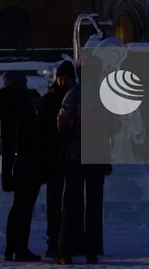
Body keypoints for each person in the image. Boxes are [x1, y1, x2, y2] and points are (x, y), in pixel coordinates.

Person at [56, 63, 104, 264]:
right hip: (97, 155)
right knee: (94, 205)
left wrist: (70, 138)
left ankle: (65, 252)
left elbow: (62, 121)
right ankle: (91, 251)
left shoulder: (74, 94)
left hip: (76, 155)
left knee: (71, 204)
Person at [0, 71, 44, 262]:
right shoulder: (23, 103)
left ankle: (11, 248)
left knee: (17, 207)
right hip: (26, 161)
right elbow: (31, 133)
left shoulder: (6, 101)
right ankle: (21, 248)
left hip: (13, 162)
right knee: (24, 207)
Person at [40, 63, 72, 258]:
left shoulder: (67, 99)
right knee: (55, 202)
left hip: (68, 157)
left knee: (68, 202)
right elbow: (45, 133)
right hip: (55, 158)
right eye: (63, 77)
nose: (65, 81)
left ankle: (65, 240)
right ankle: (54, 241)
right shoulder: (50, 100)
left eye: (68, 78)